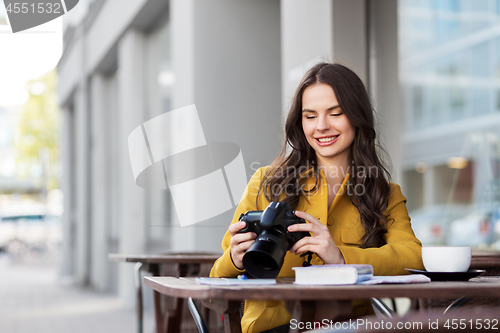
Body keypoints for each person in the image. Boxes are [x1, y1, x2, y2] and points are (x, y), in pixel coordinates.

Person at [210, 63, 424, 333]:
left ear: (357, 117)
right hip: (275, 327)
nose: (321, 127)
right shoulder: (267, 182)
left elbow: (413, 258)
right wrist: (235, 259)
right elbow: (215, 279)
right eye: (310, 116)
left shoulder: (383, 194)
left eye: (335, 113)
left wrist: (341, 257)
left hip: (349, 325)